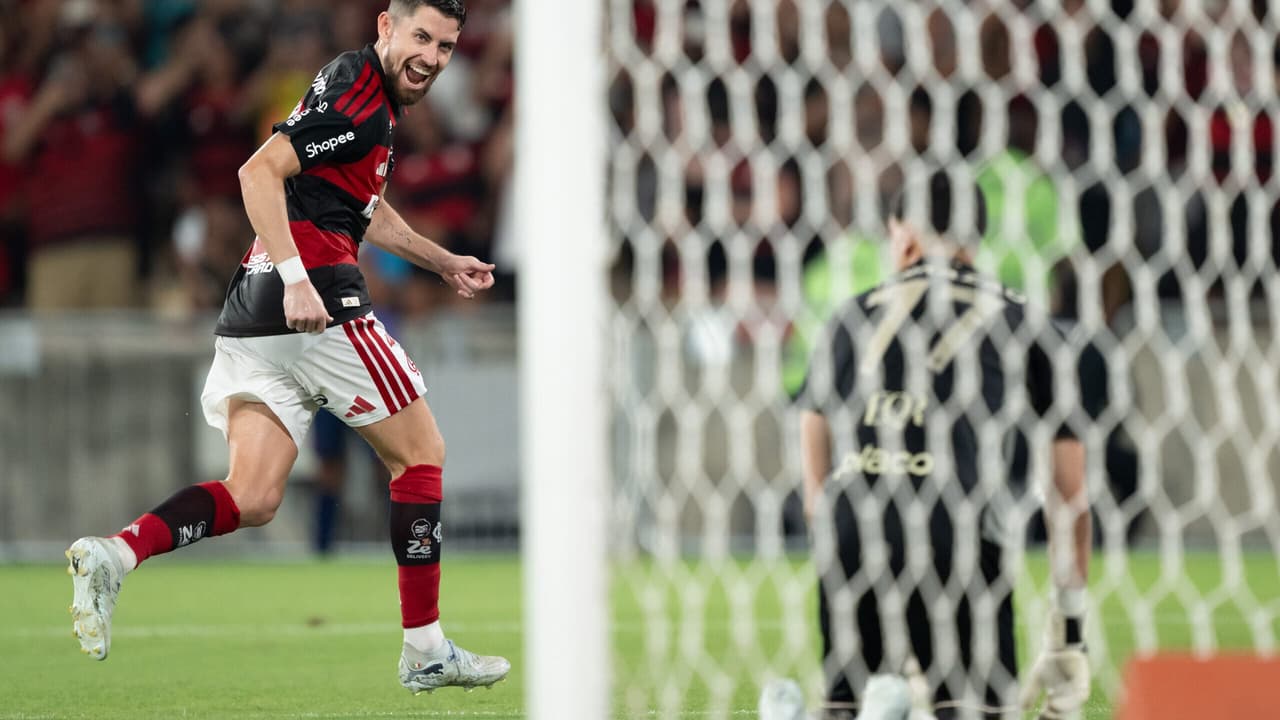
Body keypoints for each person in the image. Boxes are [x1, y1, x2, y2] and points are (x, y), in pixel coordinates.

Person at [64, 0, 511, 695]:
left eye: (448, 46)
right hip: (313, 296)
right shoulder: (361, 101)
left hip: (253, 305)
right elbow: (256, 173)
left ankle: (115, 554)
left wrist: (441, 259)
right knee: (421, 455)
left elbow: (362, 207)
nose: (432, 56)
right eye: (421, 36)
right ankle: (425, 649)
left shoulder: (360, 93)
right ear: (386, 26)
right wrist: (302, 281)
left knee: (255, 493)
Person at [796, 169, 1092, 719]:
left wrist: (825, 514)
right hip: (960, 539)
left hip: (857, 533)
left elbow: (812, 424)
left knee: (847, 705)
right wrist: (1070, 632)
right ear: (975, 242)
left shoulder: (849, 317)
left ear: (903, 236)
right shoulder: (1024, 320)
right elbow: (1069, 494)